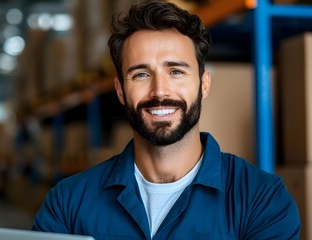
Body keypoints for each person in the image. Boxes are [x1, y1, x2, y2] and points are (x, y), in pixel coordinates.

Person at [32, 0, 301, 239]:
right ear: (120, 91)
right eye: (141, 74)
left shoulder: (261, 200)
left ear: (204, 85)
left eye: (176, 71)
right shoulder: (67, 204)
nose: (159, 90)